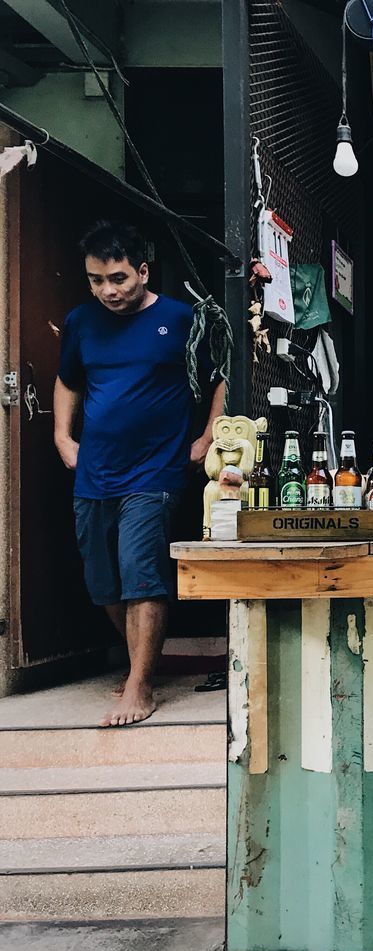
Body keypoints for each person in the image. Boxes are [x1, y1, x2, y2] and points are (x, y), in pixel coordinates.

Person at [53, 221, 225, 726]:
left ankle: (140, 686)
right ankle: (141, 664)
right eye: (96, 280)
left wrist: (209, 434)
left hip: (156, 470)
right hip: (96, 471)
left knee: (141, 572)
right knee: (100, 581)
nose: (108, 290)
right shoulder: (82, 322)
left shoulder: (181, 318)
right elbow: (68, 382)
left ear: (143, 271)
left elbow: (220, 378)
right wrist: (63, 438)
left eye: (119, 278)